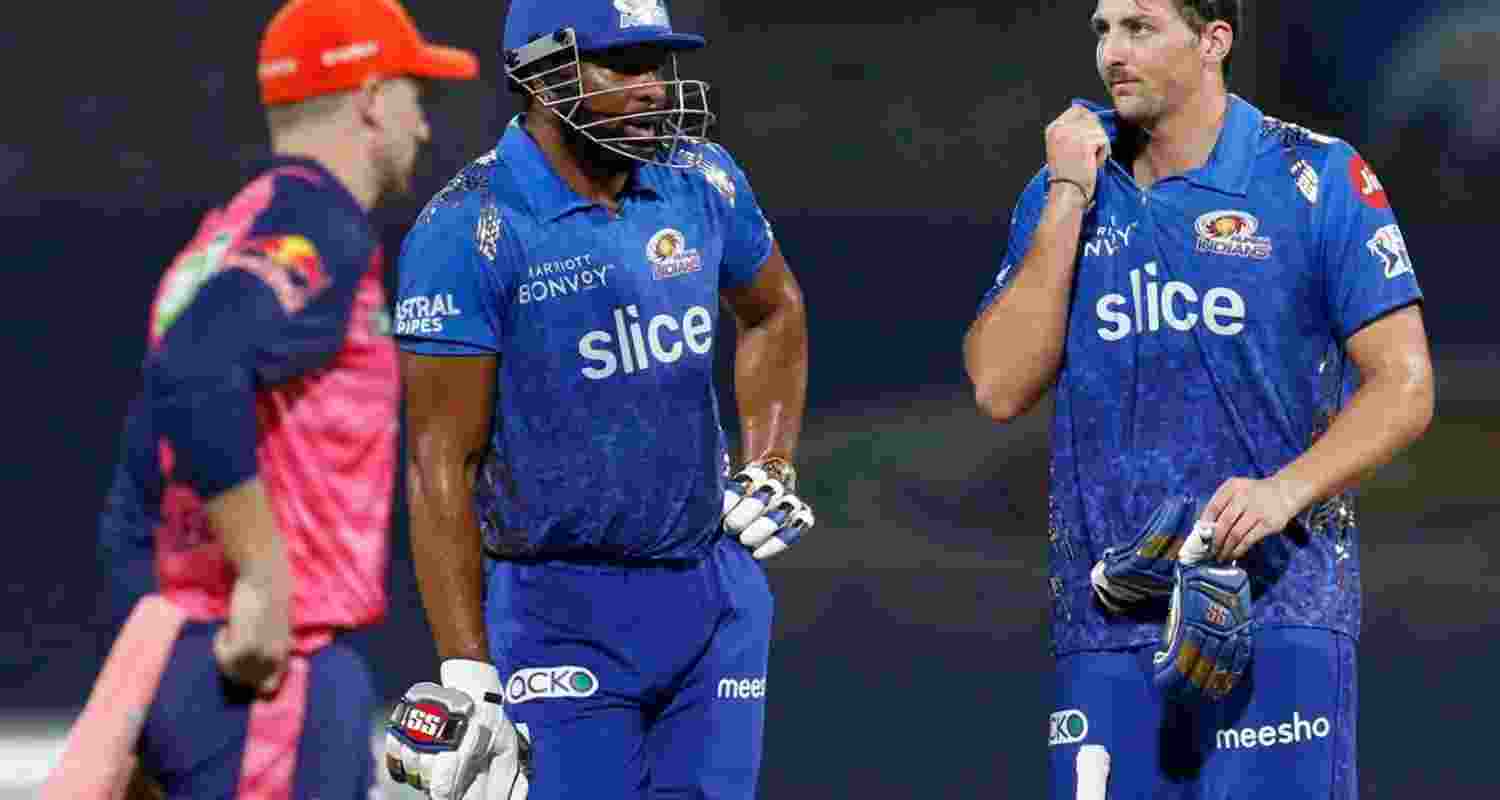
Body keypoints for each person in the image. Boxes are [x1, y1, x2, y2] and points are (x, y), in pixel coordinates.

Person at [963, 1, 1433, 798]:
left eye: (1139, 28)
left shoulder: (1314, 176)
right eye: (1102, 29)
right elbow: (999, 386)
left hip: (1279, 615)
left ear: (1214, 41)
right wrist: (1068, 198)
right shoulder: (1064, 190)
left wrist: (1285, 491)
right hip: (1107, 631)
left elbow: (1406, 384)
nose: (1112, 51)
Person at [381, 1, 813, 798]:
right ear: (540, 78)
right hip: (556, 615)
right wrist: (467, 669)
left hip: (714, 596)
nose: (653, 88)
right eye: (623, 65)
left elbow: (774, 310)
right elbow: (442, 460)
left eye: (658, 63)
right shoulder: (466, 230)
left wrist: (773, 463)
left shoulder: (703, 177)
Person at [50, 1, 478, 797]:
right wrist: (263, 579)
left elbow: (147, 452)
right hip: (266, 673)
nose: (422, 128)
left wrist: (151, 641)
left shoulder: (227, 232)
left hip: (194, 649)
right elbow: (195, 369)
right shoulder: (317, 224)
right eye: (417, 98)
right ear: (372, 96)